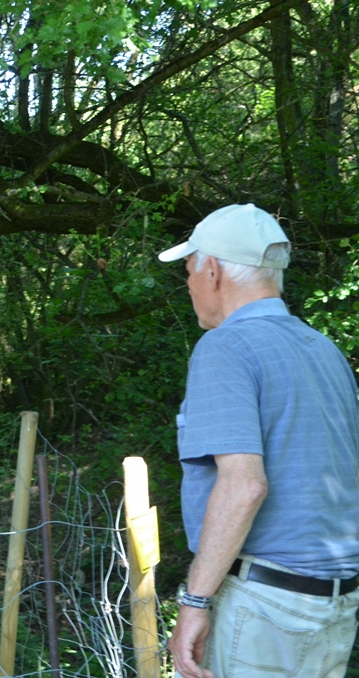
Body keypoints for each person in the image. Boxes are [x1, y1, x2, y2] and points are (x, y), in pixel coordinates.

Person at [158, 204, 359, 678]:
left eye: (188, 270)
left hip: (266, 608)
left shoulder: (224, 347)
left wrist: (194, 601)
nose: (188, 284)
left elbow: (245, 485)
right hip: (336, 601)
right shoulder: (322, 349)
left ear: (211, 271)